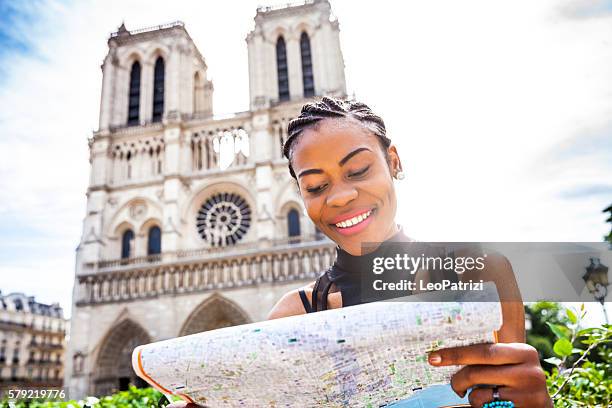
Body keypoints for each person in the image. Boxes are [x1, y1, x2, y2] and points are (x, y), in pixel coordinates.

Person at [168, 97, 552, 407]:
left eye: (358, 171)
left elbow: (510, 398)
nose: (340, 196)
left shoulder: (481, 272)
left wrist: (533, 405)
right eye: (316, 187)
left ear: (394, 162)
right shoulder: (292, 314)